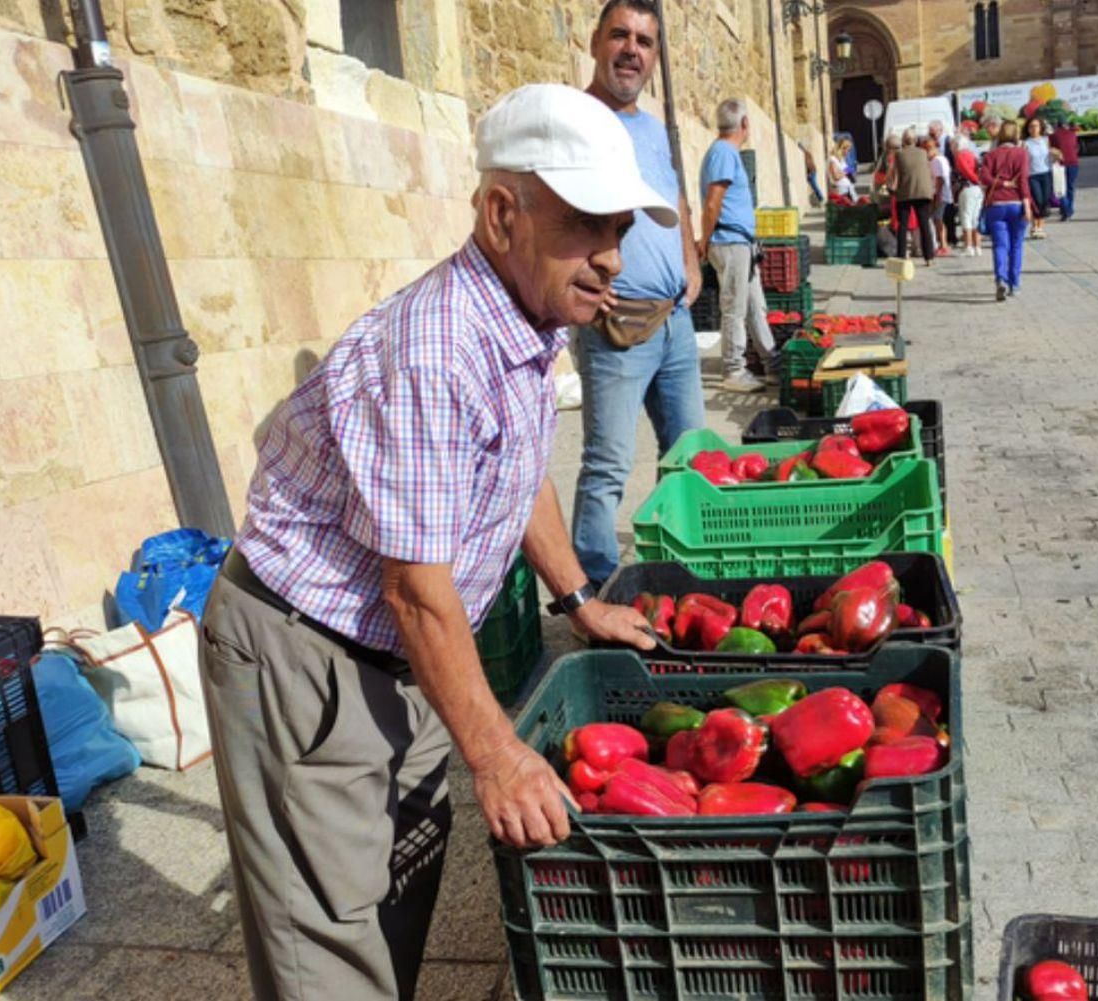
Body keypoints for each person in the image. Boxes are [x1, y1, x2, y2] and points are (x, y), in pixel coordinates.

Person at [198, 83, 667, 1001]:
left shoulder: (527, 322)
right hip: (308, 655)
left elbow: (515, 465)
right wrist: (493, 752)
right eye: (584, 226)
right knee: (329, 944)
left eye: (617, 229)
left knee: (393, 893)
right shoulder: (435, 350)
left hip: (398, 653)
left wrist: (577, 595)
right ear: (503, 213)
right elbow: (416, 590)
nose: (610, 258)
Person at [571, 0, 705, 589]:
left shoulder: (653, 128)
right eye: (620, 36)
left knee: (690, 455)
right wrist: (577, 283)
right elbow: (545, 213)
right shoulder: (574, 120)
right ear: (595, 40)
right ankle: (593, 588)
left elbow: (674, 200)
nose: (632, 50)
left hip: (674, 323)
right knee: (607, 467)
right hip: (616, 325)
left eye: (645, 42)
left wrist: (692, 263)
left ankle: (679, 569)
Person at [699, 98, 777, 392]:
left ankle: (772, 364)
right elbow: (712, 203)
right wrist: (705, 241)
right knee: (734, 307)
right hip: (729, 240)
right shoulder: (723, 153)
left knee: (755, 305)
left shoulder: (725, 153)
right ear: (744, 124)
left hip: (740, 242)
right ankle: (733, 369)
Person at [979, 120, 1032, 301]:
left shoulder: (990, 155)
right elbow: (1024, 180)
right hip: (1016, 203)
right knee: (1016, 245)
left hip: (996, 205)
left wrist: (1001, 183)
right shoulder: (1022, 154)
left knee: (1000, 246)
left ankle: (1000, 279)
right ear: (1017, 135)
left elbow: (984, 177)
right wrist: (1027, 204)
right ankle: (1014, 284)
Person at [887, 127, 938, 264]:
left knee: (902, 226)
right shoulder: (923, 153)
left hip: (905, 193)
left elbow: (894, 175)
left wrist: (891, 189)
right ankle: (929, 257)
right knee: (924, 225)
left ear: (903, 141)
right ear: (915, 140)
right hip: (923, 192)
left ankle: (901, 256)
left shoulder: (899, 155)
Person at [1022, 117, 1054, 239]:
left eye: (1036, 126)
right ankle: (1034, 225)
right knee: (1037, 200)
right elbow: (1023, 161)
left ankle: (1040, 227)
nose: (1034, 129)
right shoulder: (1026, 143)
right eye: (1031, 126)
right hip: (1032, 175)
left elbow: (1051, 154)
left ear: (1041, 128)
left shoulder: (1046, 140)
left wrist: (1056, 154)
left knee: (1045, 200)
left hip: (1046, 172)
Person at [953, 135, 984, 256]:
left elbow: (966, 171)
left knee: (966, 217)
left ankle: (968, 246)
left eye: (954, 145)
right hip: (976, 189)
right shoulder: (971, 154)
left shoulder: (960, 155)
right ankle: (977, 247)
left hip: (967, 188)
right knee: (975, 217)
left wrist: (976, 180)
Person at [925, 135, 954, 255]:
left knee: (938, 220)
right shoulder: (942, 159)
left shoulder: (937, 161)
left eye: (928, 150)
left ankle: (943, 245)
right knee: (938, 220)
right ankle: (942, 244)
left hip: (940, 195)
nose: (927, 153)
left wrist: (937, 196)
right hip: (943, 194)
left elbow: (939, 180)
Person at [1049, 119, 1081, 220]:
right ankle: (1068, 209)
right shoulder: (1073, 134)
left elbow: (1052, 149)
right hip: (1073, 163)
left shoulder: (1053, 135)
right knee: (1070, 187)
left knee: (1060, 189)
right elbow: (1076, 147)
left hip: (1060, 164)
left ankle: (1066, 210)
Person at [828, 137, 857, 202]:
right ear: (842, 149)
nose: (848, 152)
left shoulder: (842, 160)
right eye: (848, 150)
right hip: (842, 190)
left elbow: (848, 170)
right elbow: (836, 177)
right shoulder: (833, 159)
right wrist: (845, 173)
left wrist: (849, 170)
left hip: (848, 188)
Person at [799, 140, 824, 205]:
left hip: (811, 172)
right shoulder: (808, 153)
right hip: (813, 171)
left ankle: (821, 198)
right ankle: (820, 199)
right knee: (814, 186)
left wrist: (808, 173)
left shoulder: (806, 154)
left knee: (814, 185)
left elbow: (808, 164)